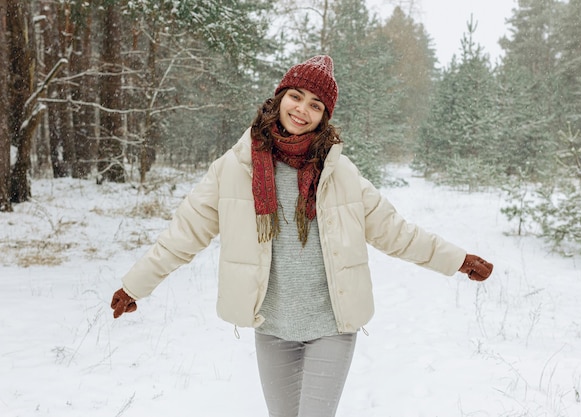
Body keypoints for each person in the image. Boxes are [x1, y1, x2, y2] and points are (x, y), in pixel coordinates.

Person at [110, 55, 494, 417]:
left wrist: (457, 259)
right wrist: (135, 286)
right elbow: (184, 233)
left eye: (315, 105)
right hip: (273, 326)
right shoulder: (235, 168)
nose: (302, 110)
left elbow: (396, 232)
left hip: (331, 325)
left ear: (324, 117)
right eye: (296, 97)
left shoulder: (340, 173)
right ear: (279, 99)